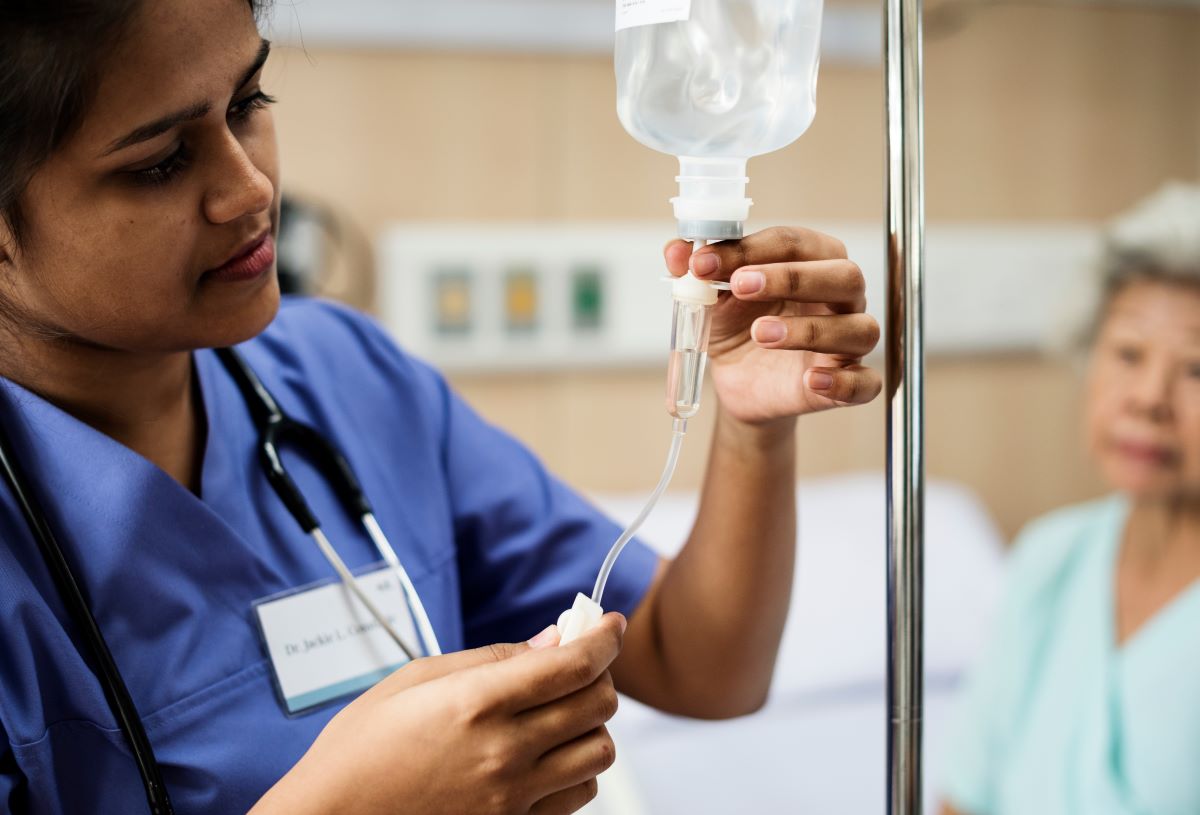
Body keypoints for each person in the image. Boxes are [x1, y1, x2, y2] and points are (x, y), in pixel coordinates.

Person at [0, 1, 883, 812]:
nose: (251, 188)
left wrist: (752, 428)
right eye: (159, 162)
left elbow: (706, 665)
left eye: (246, 102)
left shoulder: (346, 377)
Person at [940, 182, 1200, 815]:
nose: (1149, 399)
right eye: (1128, 354)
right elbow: (964, 795)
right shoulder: (1051, 555)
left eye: (1196, 369)